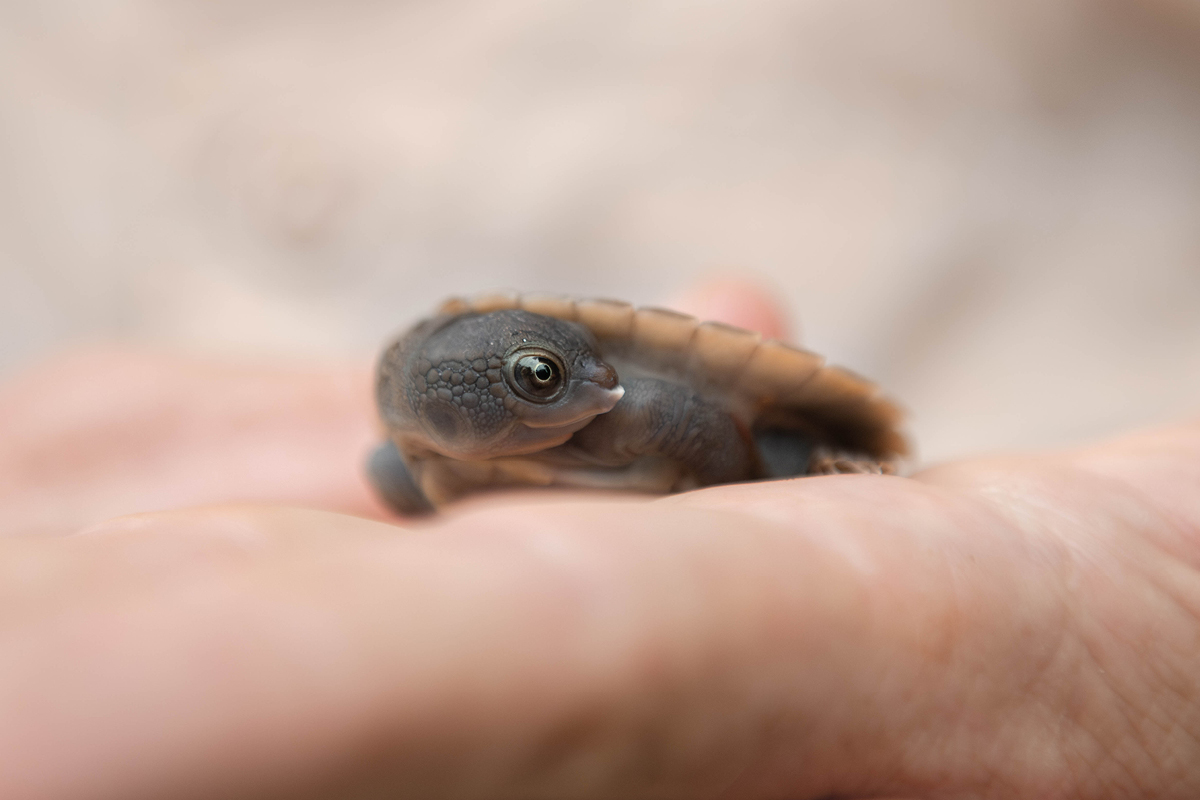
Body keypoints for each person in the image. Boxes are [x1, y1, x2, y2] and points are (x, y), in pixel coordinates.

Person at [0, 282, 1196, 799]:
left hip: (1036, 374)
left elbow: (654, 401)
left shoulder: (630, 399)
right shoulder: (409, 440)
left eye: (564, 376)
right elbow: (401, 471)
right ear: (447, 405)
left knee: (702, 420)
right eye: (541, 381)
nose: (600, 394)